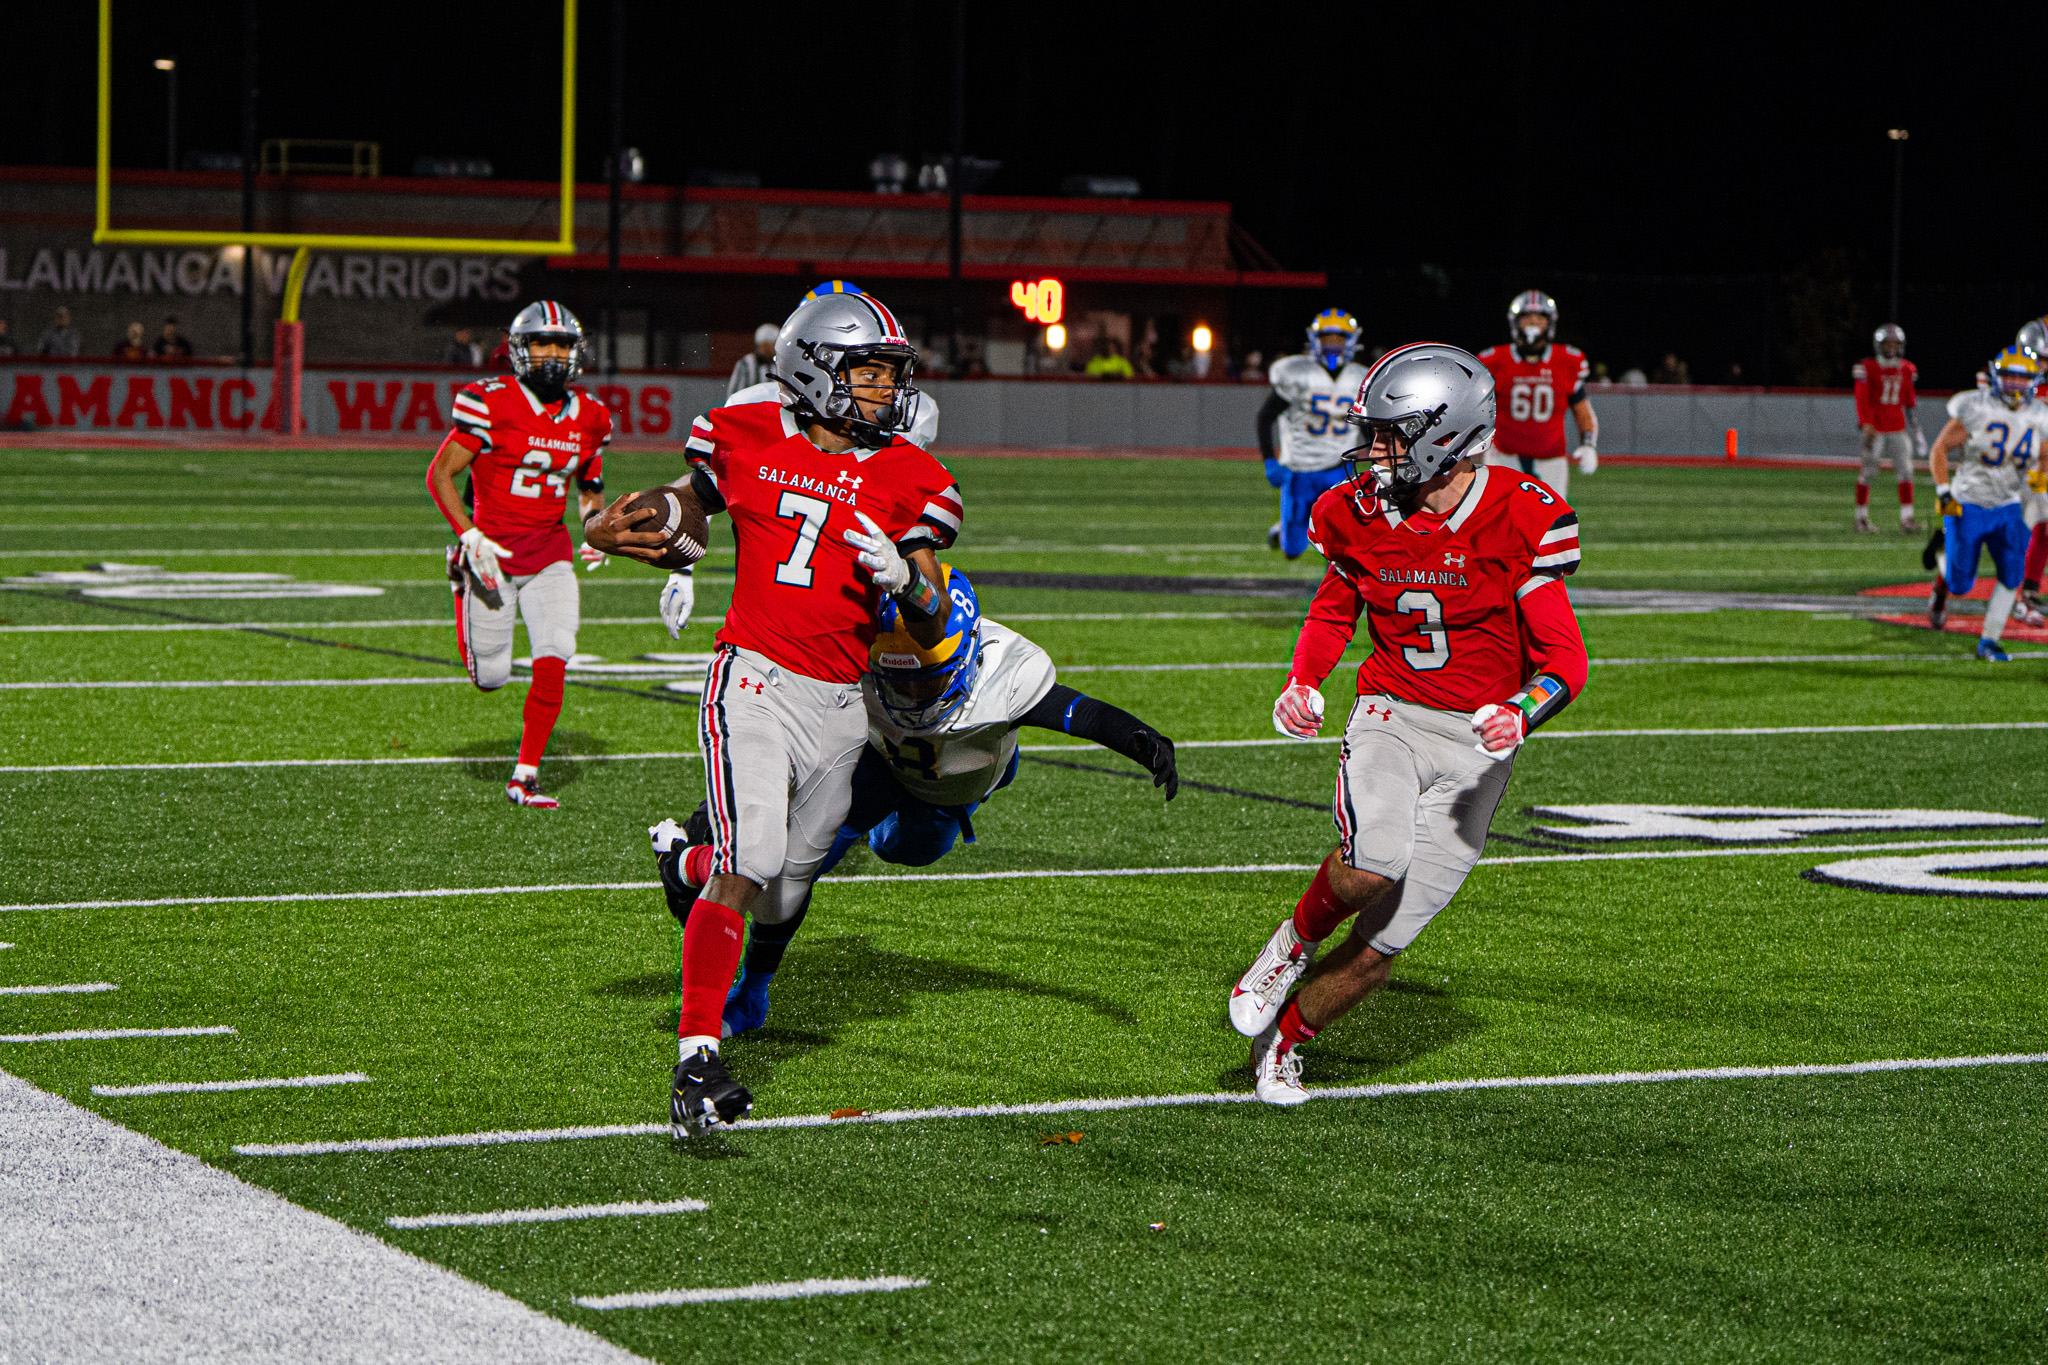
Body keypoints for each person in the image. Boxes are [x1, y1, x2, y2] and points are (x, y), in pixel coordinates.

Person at [585, 285, 964, 1136]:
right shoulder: (748, 435)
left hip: (842, 704)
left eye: (889, 374)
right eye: (867, 371)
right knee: (753, 856)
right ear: (815, 369)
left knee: (786, 887)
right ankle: (696, 1062)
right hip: (752, 677)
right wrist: (640, 525)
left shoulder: (913, 474)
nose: (884, 390)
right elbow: (689, 508)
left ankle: (685, 862)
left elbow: (936, 603)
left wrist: (908, 581)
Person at [1228, 343, 1588, 1105]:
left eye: (1390, 435)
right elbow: (1335, 605)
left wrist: (1520, 710)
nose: (1373, 451)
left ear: (1444, 437)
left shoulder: (1522, 513)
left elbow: (1565, 658)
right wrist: (1304, 679)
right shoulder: (1358, 512)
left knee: (1382, 945)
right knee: (1373, 860)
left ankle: (1286, 1045)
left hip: (1477, 750)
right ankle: (1289, 943)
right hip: (1392, 711)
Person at [648, 565, 1180, 1038]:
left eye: (927, 681)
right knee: (791, 873)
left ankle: (923, 812)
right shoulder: (858, 650)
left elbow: (1080, 713)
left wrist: (1142, 739)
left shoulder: (1004, 674)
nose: (913, 696)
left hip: (956, 784)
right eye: (900, 681)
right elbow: (796, 724)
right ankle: (753, 990)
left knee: (910, 850)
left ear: (967, 652)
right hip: (880, 766)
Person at [425, 301, 613, 807]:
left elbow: (590, 485)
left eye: (561, 344)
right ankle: (459, 574)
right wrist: (468, 535)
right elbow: (441, 474)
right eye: (540, 343)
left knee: (556, 653)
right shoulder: (491, 402)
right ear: (518, 349)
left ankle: (525, 775)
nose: (551, 354)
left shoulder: (592, 415)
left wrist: (596, 529)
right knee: (491, 677)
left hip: (551, 552)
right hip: (491, 555)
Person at [1924, 346, 2048, 657]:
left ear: (2034, 381)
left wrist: (2041, 476)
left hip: (2008, 503)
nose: (2015, 385)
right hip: (1969, 501)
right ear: (1995, 377)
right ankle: (1942, 580)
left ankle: (1989, 641)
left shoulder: (2039, 414)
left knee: (2012, 572)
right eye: (2009, 377)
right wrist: (1943, 492)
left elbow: (2044, 454)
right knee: (1960, 583)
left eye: (2022, 379)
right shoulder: (1976, 406)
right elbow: (1939, 450)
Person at [1259, 309, 1371, 559]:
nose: (1333, 344)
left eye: (1339, 338)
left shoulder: (1359, 378)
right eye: (1326, 338)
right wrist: (1269, 460)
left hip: (1338, 467)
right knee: (1293, 550)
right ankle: (1283, 531)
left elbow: (1367, 424)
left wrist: (1376, 452)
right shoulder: (1296, 372)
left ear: (1351, 340)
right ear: (1314, 339)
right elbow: (1265, 417)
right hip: (1299, 468)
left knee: (1343, 544)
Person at [1476, 291, 1599, 499]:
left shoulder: (1567, 360)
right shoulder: (1495, 360)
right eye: (1526, 317)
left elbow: (1582, 410)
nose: (1533, 322)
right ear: (1515, 322)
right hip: (1505, 457)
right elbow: (1477, 413)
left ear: (1550, 323)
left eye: (1540, 317)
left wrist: (1589, 444)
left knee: (1553, 524)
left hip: (1551, 459)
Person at [1851, 324, 1921, 533]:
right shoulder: (1867, 367)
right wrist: (1867, 424)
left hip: (1897, 427)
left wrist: (1916, 430)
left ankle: (1907, 518)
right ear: (1878, 345)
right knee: (1867, 473)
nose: (1891, 347)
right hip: (1876, 429)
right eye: (1887, 343)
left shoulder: (1907, 368)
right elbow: (1861, 397)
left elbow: (1909, 401)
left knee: (1906, 472)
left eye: (1895, 343)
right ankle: (1861, 518)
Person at [726, 322, 779, 395]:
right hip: (751, 404)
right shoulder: (746, 364)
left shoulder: (780, 364)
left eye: (770, 347)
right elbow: (735, 393)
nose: (768, 351)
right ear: (758, 345)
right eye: (765, 346)